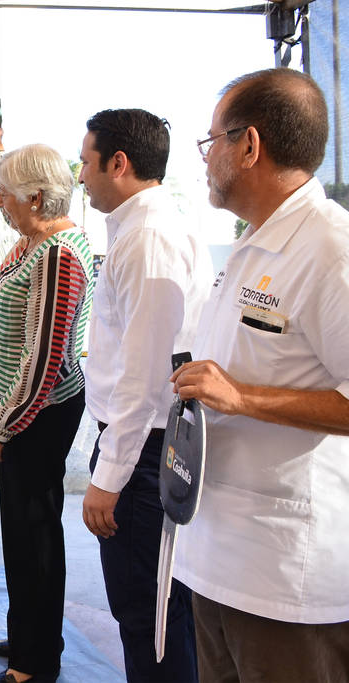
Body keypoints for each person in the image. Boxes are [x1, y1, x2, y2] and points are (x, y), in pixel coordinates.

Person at [171, 68, 349, 681]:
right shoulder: (254, 243)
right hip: (216, 553)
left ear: (248, 146)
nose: (206, 158)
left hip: (284, 575)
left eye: (211, 140)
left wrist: (242, 396)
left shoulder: (331, 250)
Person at [77, 109, 212, 682]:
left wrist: (109, 478)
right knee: (156, 614)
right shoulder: (143, 230)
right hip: (146, 448)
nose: (80, 175)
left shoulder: (147, 239)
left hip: (144, 454)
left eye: (85, 161)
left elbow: (143, 377)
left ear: (118, 163)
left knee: (149, 617)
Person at [0, 121, 95, 683]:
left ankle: (34, 662)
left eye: (7, 195)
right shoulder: (36, 237)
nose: (0, 203)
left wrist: (0, 427)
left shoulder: (57, 255)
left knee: (33, 536)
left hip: (37, 414)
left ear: (37, 199)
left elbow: (44, 359)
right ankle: (30, 633)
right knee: (23, 534)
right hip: (32, 412)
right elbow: (8, 187)